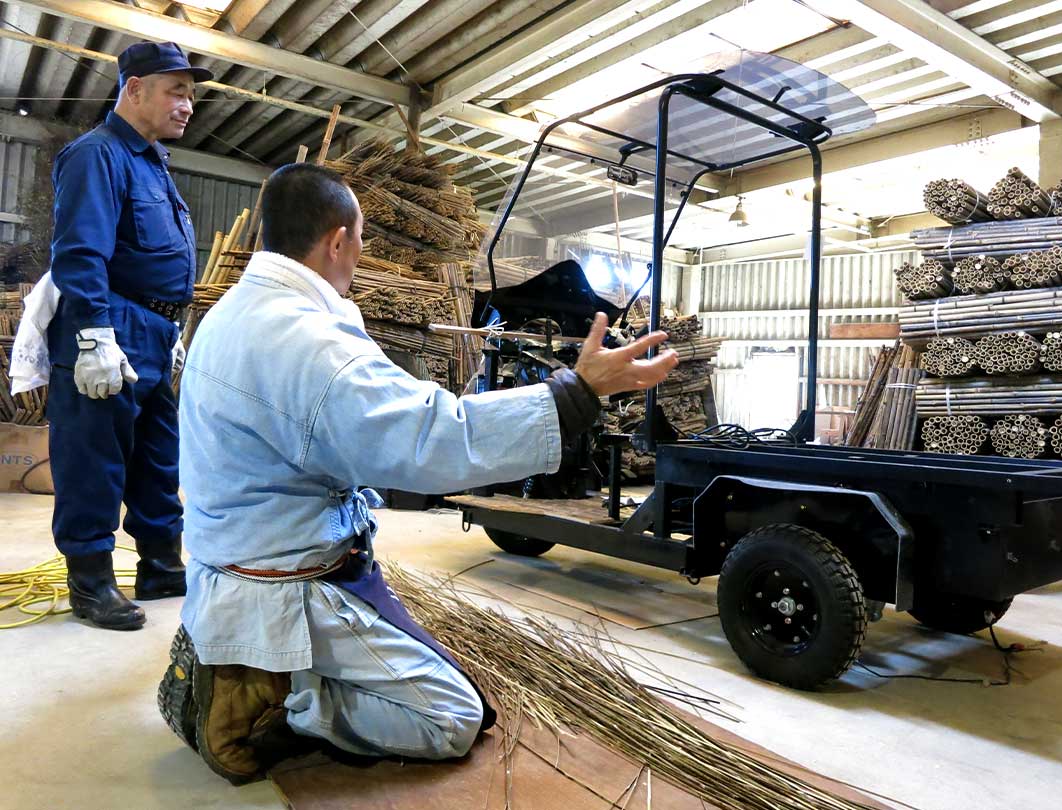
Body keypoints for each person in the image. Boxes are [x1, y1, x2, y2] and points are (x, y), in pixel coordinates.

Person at [158, 163, 678, 784]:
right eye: (359, 241)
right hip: (283, 581)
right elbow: (431, 439)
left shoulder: (230, 312)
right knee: (452, 717)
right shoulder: (305, 342)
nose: (358, 255)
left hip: (240, 552)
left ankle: (260, 667)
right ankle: (283, 698)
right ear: (338, 241)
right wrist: (575, 394)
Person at [47, 42, 212, 630]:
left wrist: (172, 327)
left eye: (190, 94)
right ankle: (90, 584)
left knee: (156, 457)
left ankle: (161, 565)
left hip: (155, 328)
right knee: (94, 456)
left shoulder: (151, 162)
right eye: (177, 90)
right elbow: (80, 253)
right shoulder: (95, 156)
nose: (188, 105)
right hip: (111, 324)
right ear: (134, 88)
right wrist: (93, 333)